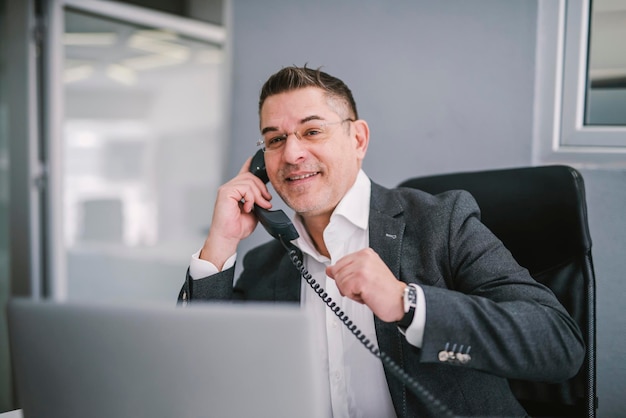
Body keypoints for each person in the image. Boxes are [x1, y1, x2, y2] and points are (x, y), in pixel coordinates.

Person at [178, 65, 584, 417]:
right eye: (275, 140)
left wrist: (409, 304)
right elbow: (201, 377)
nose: (292, 154)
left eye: (312, 131)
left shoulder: (441, 223)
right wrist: (221, 244)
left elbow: (558, 344)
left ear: (358, 140)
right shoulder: (269, 264)